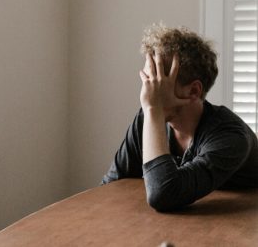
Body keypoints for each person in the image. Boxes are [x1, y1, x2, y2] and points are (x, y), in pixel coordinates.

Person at [101, 25, 258, 212]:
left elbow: (164, 194)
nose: (147, 92)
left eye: (157, 81)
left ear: (193, 91)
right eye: (147, 80)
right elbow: (110, 188)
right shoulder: (147, 119)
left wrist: (153, 109)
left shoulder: (231, 136)